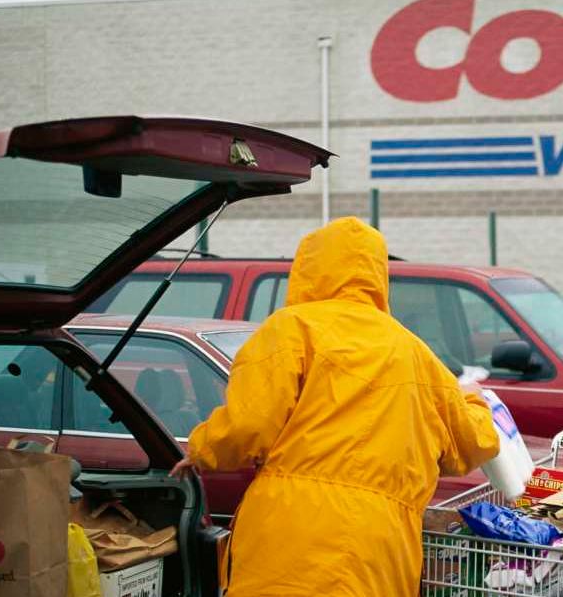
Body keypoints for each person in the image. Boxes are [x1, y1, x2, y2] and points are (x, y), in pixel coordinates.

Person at [169, 216, 500, 596]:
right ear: (379, 276)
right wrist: (474, 399)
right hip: (384, 546)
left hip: (296, 536)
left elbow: (248, 425)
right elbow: (471, 445)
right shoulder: (415, 352)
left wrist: (203, 449)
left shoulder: (291, 329)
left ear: (309, 269)